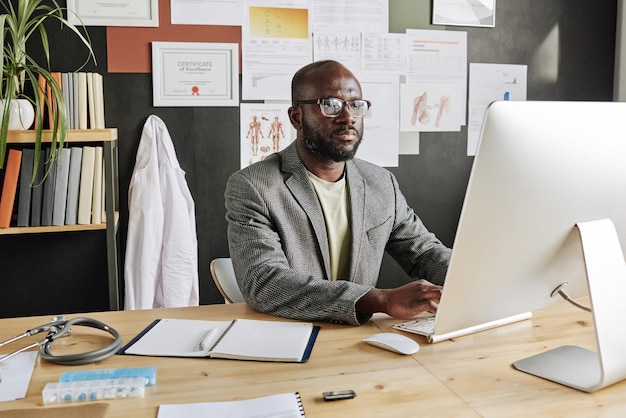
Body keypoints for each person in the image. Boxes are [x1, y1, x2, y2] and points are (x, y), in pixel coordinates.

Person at [225, 60, 451, 326]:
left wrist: (480, 281)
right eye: (330, 105)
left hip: (358, 340)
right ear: (297, 117)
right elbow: (265, 282)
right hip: (287, 334)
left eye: (356, 105)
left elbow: (424, 253)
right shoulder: (254, 186)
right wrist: (381, 300)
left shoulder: (380, 183)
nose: (348, 117)